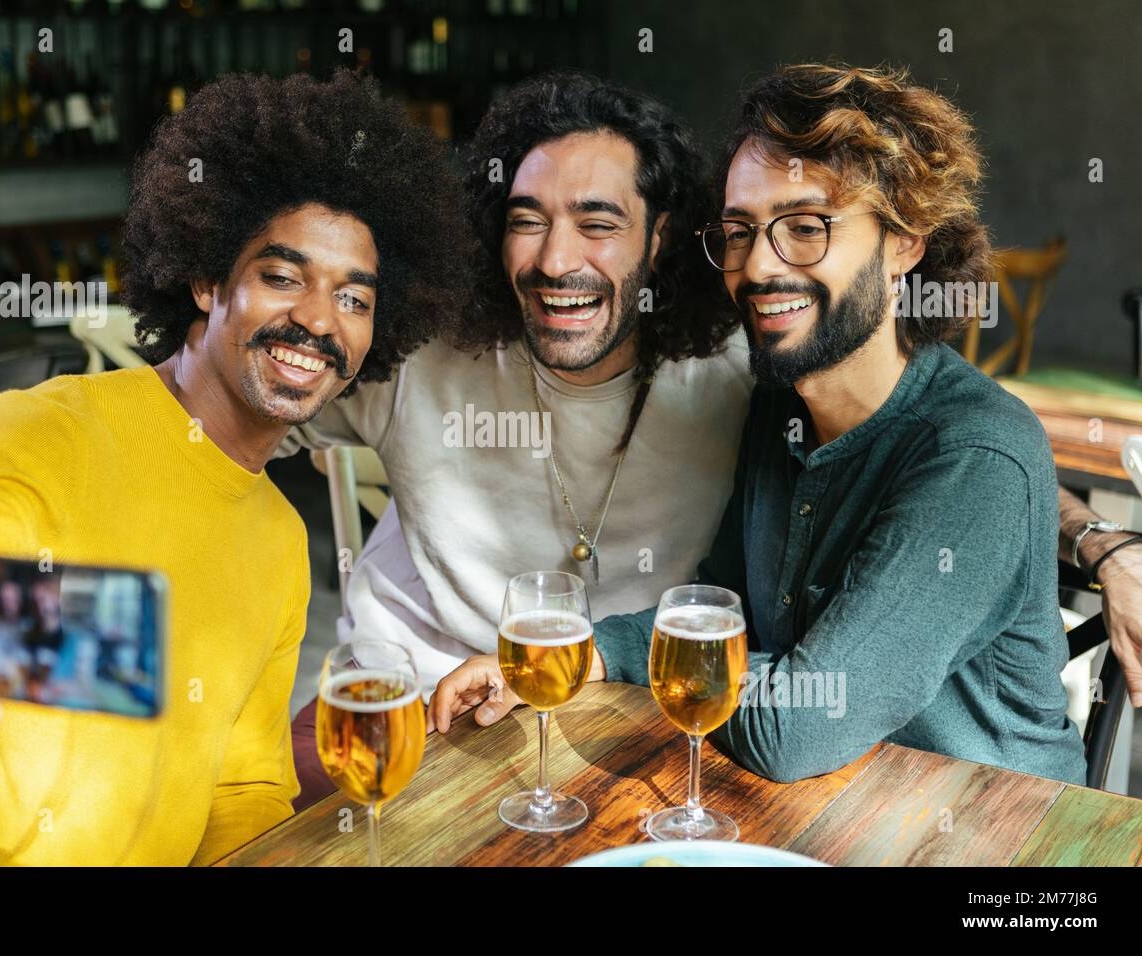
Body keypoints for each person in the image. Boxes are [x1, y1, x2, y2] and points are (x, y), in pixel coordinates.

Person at [0, 69, 470, 864]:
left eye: (355, 299)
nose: (319, 319)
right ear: (207, 280)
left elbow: (242, 792)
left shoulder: (280, 542)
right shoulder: (45, 429)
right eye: (282, 277)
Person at [431, 63, 1094, 785]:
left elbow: (794, 727)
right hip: (825, 812)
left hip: (997, 838)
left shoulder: (974, 454)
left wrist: (1105, 545)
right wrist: (582, 653)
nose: (758, 266)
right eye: (740, 231)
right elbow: (722, 614)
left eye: (805, 227)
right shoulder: (781, 404)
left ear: (906, 243)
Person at [280, 73, 753, 805]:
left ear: (659, 239)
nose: (556, 260)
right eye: (527, 220)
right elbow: (223, 424)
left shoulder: (735, 381)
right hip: (407, 716)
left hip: (630, 719)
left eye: (597, 224)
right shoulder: (419, 356)